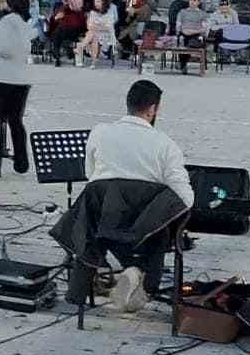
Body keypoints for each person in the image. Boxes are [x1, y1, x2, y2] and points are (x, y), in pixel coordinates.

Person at [79, 79, 195, 314]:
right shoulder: (165, 144)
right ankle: (144, 278)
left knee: (108, 216)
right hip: (147, 230)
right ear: (153, 109)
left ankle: (125, 269)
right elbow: (184, 196)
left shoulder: (100, 132)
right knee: (163, 217)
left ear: (128, 104)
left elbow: (90, 175)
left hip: (105, 225)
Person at [0, 0, 35, 178]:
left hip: (4, 76)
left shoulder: (7, 21)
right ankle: (21, 161)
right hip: (22, 78)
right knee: (16, 121)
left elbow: (4, 49)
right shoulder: (25, 23)